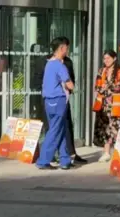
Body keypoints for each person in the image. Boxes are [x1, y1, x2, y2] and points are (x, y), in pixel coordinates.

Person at [36, 37, 74, 170]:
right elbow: (70, 84)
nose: (67, 50)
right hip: (58, 100)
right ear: (62, 48)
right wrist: (72, 86)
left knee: (60, 128)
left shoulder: (49, 64)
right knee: (54, 131)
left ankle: (65, 160)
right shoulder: (59, 65)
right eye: (67, 48)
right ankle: (43, 160)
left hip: (48, 101)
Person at [94, 49, 120, 162]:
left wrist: (106, 89)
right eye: (104, 58)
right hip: (103, 105)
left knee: (116, 129)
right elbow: (97, 87)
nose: (106, 60)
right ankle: (106, 152)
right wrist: (107, 89)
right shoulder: (101, 71)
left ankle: (118, 152)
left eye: (108, 58)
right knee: (105, 129)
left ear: (115, 58)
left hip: (115, 105)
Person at [61, 37, 87, 164]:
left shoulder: (68, 62)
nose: (68, 50)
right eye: (66, 47)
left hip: (64, 99)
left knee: (67, 126)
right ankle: (55, 154)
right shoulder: (48, 61)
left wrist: (69, 90)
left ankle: (71, 152)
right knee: (53, 128)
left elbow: (72, 80)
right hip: (51, 100)